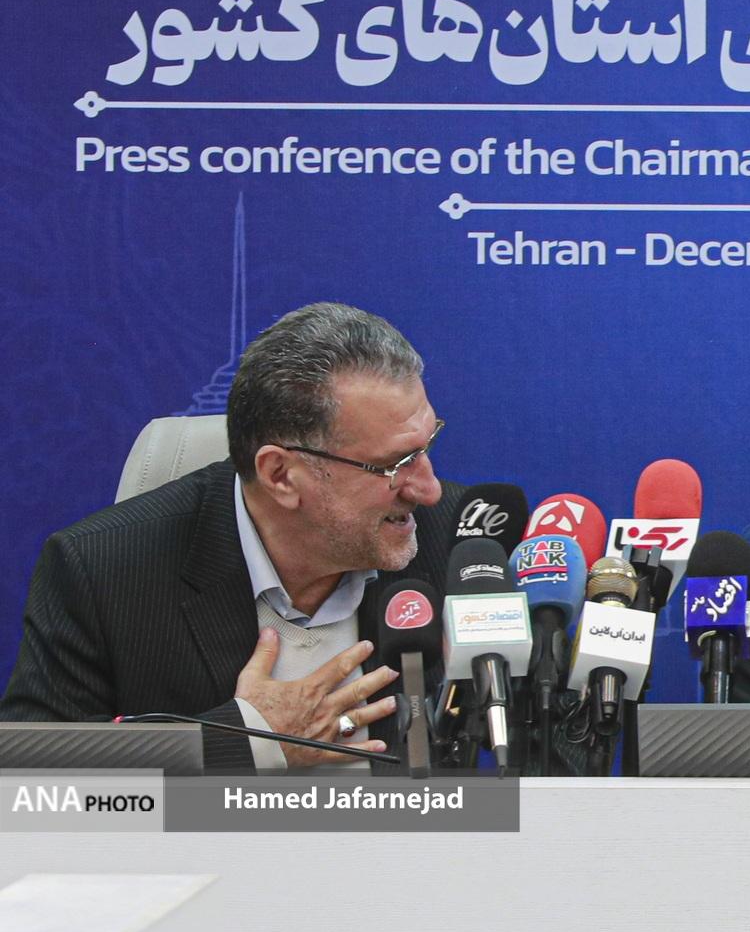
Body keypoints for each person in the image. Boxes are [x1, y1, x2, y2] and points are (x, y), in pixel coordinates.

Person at [1, 303, 463, 772]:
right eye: (393, 465)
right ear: (280, 474)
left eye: (426, 447)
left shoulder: (464, 539)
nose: (428, 489)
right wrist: (244, 740)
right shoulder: (104, 569)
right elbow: (28, 773)